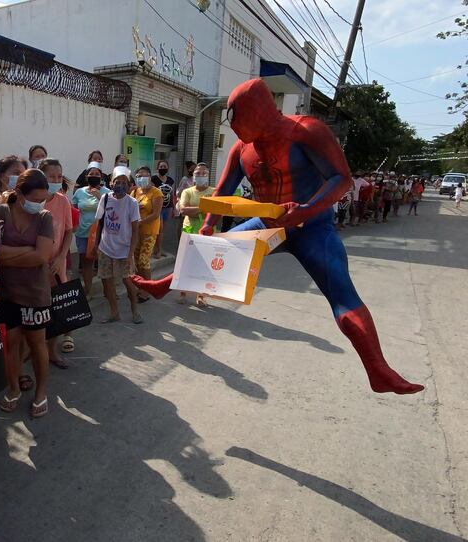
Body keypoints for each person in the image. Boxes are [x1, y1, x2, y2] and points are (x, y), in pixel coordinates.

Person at [132, 78, 423, 395]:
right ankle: (164, 286)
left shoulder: (306, 130)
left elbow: (341, 178)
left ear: (258, 110)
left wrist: (307, 208)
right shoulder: (242, 150)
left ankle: (378, 370)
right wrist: (210, 222)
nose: (233, 124)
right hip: (267, 222)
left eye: (236, 115)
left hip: (312, 226)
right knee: (211, 248)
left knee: (341, 292)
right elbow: (224, 189)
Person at [0, 169, 54, 418]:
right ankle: (14, 387)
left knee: (38, 344)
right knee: (10, 344)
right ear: (18, 193)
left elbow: (42, 256)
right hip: (5, 293)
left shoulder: (45, 217)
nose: (39, 204)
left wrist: (5, 254)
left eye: (43, 199)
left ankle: (41, 392)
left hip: (35, 293)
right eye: (35, 199)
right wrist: (27, 250)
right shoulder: (1, 211)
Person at [40, 158, 75, 368]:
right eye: (51, 176)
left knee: (56, 310)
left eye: (59, 176)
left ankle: (51, 352)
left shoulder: (63, 201)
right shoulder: (32, 200)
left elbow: (69, 231)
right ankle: (36, 352)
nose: (56, 180)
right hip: (36, 268)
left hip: (57, 266)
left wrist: (61, 257)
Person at [96, 167, 142, 324]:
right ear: (111, 183)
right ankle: (114, 312)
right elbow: (99, 224)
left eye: (124, 182)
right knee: (107, 280)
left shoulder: (132, 203)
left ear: (129, 185)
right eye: (117, 181)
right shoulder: (105, 198)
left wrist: (130, 255)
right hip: (105, 248)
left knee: (127, 281)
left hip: (124, 250)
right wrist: (97, 246)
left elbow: (135, 231)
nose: (120, 185)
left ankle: (135, 309)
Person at [71, 163, 111, 295]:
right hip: (82, 232)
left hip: (100, 233)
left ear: (101, 177)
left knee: (104, 262)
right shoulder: (79, 192)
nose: (94, 176)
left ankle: (109, 291)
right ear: (86, 176)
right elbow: (75, 209)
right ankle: (88, 291)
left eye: (97, 174)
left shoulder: (107, 192)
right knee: (87, 263)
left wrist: (99, 196)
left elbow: (112, 212)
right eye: (91, 174)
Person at [177, 163, 214, 305]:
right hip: (189, 230)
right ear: (193, 176)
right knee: (185, 262)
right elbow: (183, 210)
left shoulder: (214, 192)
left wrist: (195, 210)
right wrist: (204, 208)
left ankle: (201, 295)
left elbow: (218, 212)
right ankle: (183, 291)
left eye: (203, 173)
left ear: (208, 176)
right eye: (197, 173)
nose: (200, 175)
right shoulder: (188, 191)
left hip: (208, 231)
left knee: (204, 265)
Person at [131, 166, 163, 303]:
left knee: (144, 260)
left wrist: (140, 222)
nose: (140, 178)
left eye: (143, 175)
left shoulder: (156, 193)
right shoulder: (135, 192)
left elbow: (156, 214)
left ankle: (149, 289)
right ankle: (141, 287)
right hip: (137, 232)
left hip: (150, 231)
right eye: (137, 176)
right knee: (137, 261)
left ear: (149, 177)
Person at [151, 160, 175, 258]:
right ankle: (157, 250)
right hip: (158, 208)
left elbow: (172, 194)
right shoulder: (154, 179)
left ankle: (158, 249)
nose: (162, 168)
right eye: (160, 167)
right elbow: (151, 192)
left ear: (168, 168)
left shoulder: (170, 180)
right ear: (157, 168)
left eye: (164, 166)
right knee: (158, 230)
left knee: (162, 231)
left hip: (168, 208)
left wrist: (173, 207)